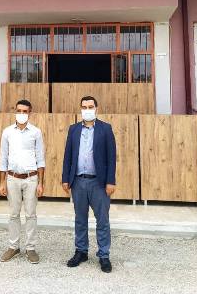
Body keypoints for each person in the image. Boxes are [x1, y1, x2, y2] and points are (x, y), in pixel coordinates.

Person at [62, 96, 117, 273]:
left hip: (99, 183)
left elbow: (111, 157)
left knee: (102, 220)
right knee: (80, 219)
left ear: (96, 108)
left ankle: (104, 255)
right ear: (80, 109)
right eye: (84, 107)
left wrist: (110, 181)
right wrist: (65, 178)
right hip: (78, 181)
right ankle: (81, 251)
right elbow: (68, 155)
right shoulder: (73, 129)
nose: (87, 110)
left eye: (90, 107)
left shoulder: (105, 129)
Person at [0, 99, 45, 264]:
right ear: (15, 111)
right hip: (12, 178)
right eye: (19, 110)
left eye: (25, 111)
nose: (22, 114)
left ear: (30, 113)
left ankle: (30, 248)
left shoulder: (36, 132)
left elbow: (41, 159)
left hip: (31, 179)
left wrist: (40, 183)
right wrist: (2, 182)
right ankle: (13, 246)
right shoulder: (7, 132)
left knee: (31, 214)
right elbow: (3, 158)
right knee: (13, 214)